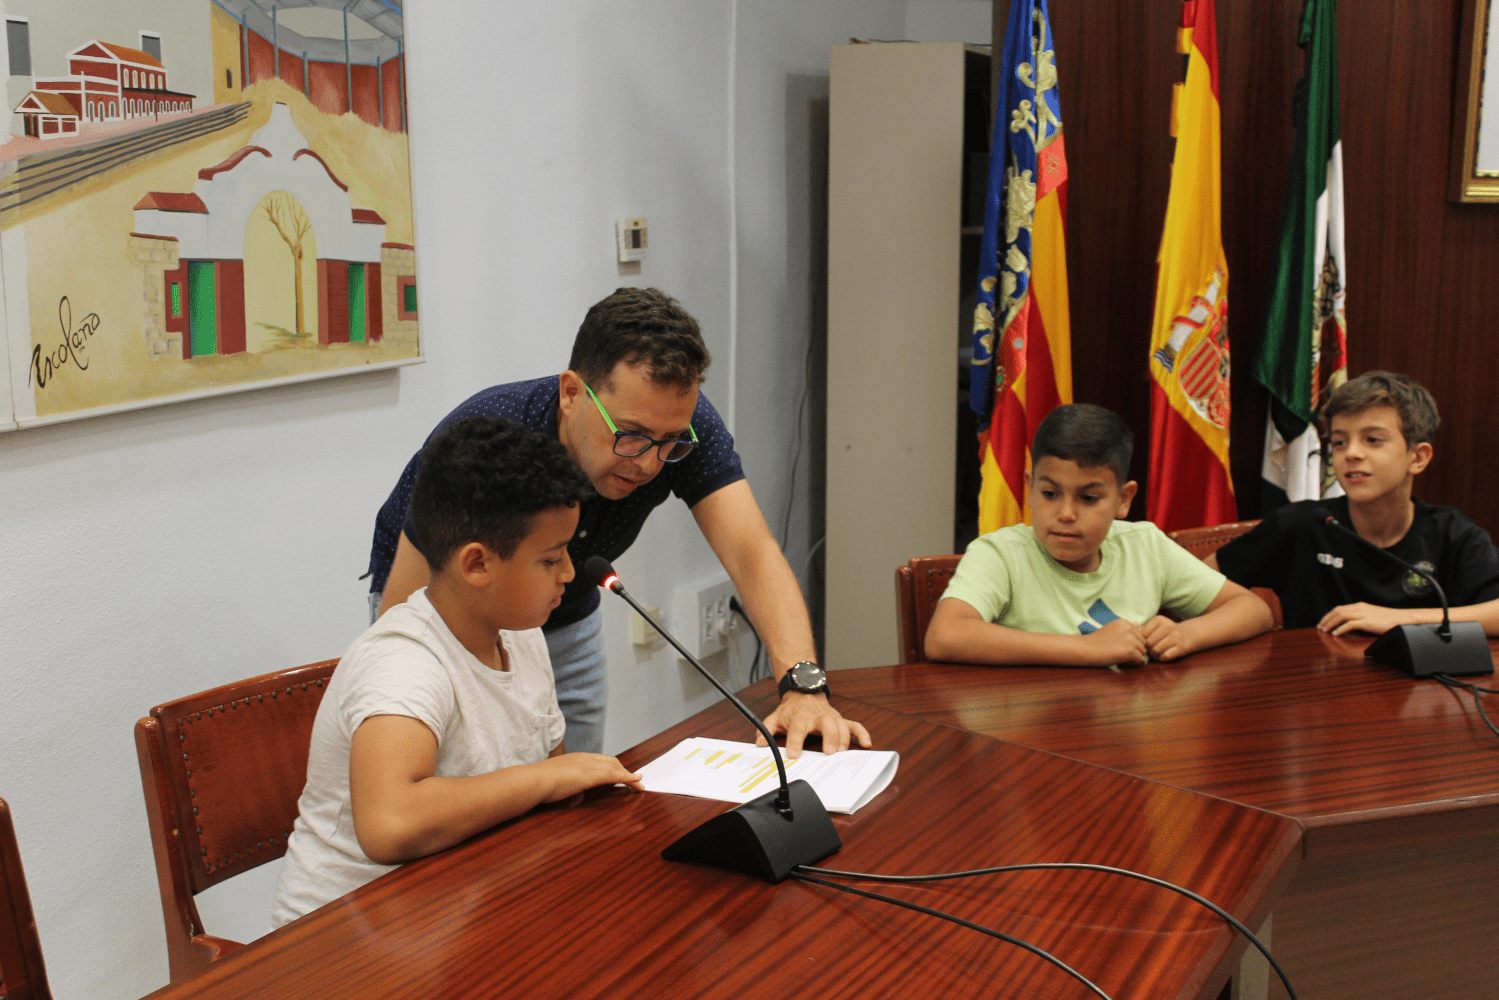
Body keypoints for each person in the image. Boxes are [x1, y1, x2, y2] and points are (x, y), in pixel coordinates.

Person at [367, 287, 869, 757]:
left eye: (669, 442)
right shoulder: (486, 436)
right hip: (456, 621)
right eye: (630, 434)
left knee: (576, 793)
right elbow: (405, 629)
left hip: (568, 615)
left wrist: (803, 687)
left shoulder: (680, 427)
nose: (649, 463)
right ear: (571, 393)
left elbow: (750, 551)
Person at [273, 417, 644, 927]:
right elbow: (390, 824)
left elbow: (553, 787)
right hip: (344, 937)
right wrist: (545, 778)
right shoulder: (403, 664)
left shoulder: (520, 634)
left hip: (466, 908)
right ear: (477, 565)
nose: (569, 573)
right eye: (551, 559)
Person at [925, 404, 1273, 666]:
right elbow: (945, 636)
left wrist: (1186, 634)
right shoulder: (1001, 554)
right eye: (1050, 493)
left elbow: (1253, 610)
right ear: (1030, 488)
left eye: (1089, 498)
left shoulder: (1144, 546)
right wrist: (1087, 649)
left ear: (1123, 499)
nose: (1065, 513)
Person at [1210, 371, 1499, 634]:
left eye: (1373, 439)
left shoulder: (1451, 534)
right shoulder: (1301, 524)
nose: (1352, 453)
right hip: (1317, 673)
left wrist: (1399, 620)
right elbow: (1200, 582)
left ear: (1418, 457)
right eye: (1339, 442)